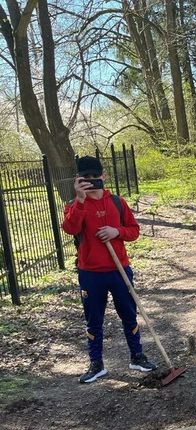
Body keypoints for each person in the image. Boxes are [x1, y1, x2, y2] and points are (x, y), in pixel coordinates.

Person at [62, 155, 157, 383]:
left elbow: (133, 230)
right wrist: (80, 200)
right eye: (86, 177)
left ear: (103, 176)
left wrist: (117, 232)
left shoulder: (117, 202)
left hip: (119, 269)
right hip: (90, 273)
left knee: (129, 314)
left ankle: (137, 356)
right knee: (93, 320)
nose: (92, 181)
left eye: (95, 176)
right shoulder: (74, 205)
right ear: (78, 179)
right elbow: (70, 228)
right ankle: (96, 364)